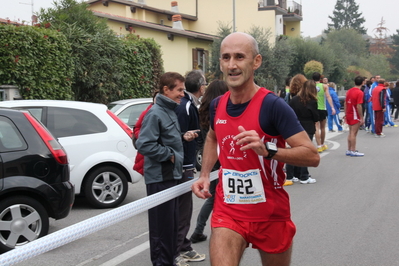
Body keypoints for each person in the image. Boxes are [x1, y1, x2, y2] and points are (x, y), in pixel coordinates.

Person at [191, 32, 320, 266]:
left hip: (270, 214)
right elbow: (212, 137)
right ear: (220, 62)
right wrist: (204, 174)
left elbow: (312, 156)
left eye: (240, 57)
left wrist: (268, 150)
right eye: (226, 57)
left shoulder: (273, 106)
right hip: (228, 211)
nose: (232, 65)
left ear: (256, 61)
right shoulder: (218, 105)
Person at [136, 72, 199, 266]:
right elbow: (144, 144)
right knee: (161, 230)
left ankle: (169, 261)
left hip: (171, 175)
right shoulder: (155, 112)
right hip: (160, 178)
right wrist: (169, 155)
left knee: (171, 227)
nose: (182, 94)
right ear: (166, 90)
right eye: (179, 90)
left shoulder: (169, 109)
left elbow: (163, 138)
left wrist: (181, 137)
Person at [190, 80, 228, 244]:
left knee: (214, 196)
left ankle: (202, 230)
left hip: (208, 159)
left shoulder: (202, 110)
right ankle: (202, 230)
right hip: (221, 159)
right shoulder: (221, 110)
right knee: (216, 197)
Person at [174, 70, 206, 264]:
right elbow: (182, 135)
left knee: (183, 209)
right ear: (201, 87)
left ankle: (182, 245)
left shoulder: (189, 104)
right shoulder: (186, 106)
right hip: (183, 164)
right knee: (183, 210)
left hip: (185, 163)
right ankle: (179, 250)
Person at [285, 77, 319, 185]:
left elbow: (289, 112)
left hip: (295, 127)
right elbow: (316, 116)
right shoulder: (312, 101)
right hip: (308, 127)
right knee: (305, 152)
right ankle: (304, 176)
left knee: (293, 151)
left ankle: (291, 175)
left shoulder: (294, 99)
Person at [133, 91, 158, 175]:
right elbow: (137, 128)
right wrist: (144, 136)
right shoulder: (146, 113)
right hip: (147, 149)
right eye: (156, 98)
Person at [313, 73, 335, 153]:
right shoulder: (324, 86)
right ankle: (322, 144)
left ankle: (318, 145)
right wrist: (332, 107)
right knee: (322, 128)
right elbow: (328, 96)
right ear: (320, 78)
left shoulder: (310, 86)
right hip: (322, 108)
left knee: (316, 127)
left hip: (314, 108)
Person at [344, 76, 365, 157]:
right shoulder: (359, 92)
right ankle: (353, 150)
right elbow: (359, 105)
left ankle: (349, 149)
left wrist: (345, 114)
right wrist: (361, 117)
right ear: (363, 83)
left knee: (350, 132)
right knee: (354, 133)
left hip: (349, 112)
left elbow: (345, 103)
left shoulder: (349, 91)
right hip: (354, 114)